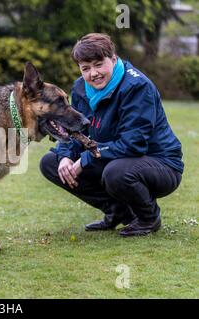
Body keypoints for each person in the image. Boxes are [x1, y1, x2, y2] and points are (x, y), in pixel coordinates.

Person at [39, 33, 183, 236]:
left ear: (113, 59)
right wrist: (65, 156)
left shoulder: (137, 87)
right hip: (111, 157)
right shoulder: (80, 87)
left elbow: (133, 145)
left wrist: (85, 159)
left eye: (99, 64)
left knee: (116, 172)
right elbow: (75, 130)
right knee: (50, 162)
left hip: (160, 163)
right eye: (85, 68)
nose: (93, 74)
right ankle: (118, 212)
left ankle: (148, 218)